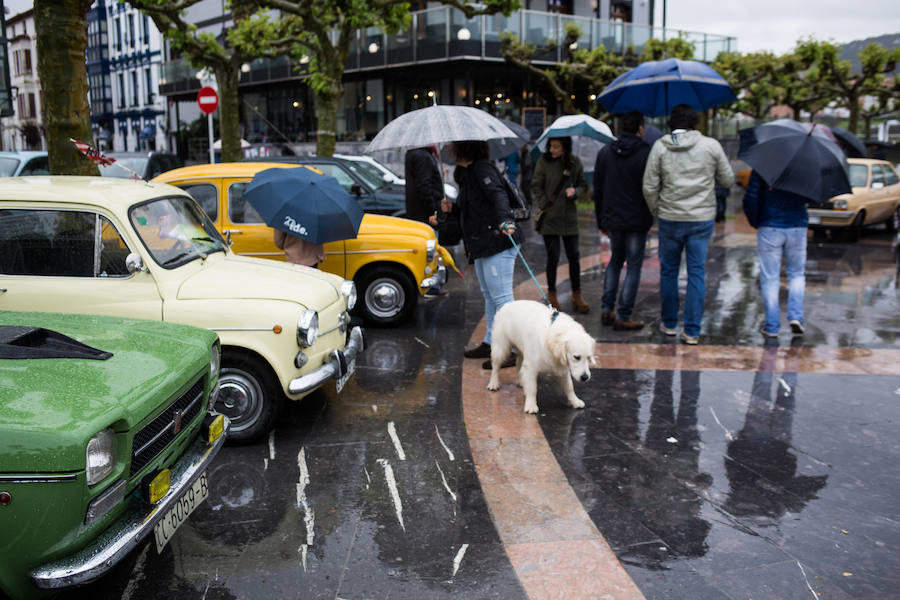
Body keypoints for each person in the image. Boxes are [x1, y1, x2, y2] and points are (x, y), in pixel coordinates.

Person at [642, 104, 734, 345]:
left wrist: (657, 209)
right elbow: (727, 179)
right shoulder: (711, 146)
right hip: (701, 219)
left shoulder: (660, 146)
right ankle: (692, 330)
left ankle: (670, 323)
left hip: (670, 218)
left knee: (669, 271)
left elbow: (649, 186)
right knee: (696, 273)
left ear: (672, 123)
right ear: (695, 123)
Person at [448, 140, 521, 369]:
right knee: (490, 296)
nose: (451, 151)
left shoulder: (482, 169)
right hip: (483, 243)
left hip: (497, 241)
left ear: (465, 148)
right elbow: (470, 206)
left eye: (454, 147)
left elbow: (498, 195)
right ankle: (491, 343)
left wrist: (505, 220)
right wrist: (450, 208)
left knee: (502, 299)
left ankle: (510, 349)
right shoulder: (470, 173)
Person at [593, 110, 653, 331]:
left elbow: (597, 190)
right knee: (634, 266)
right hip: (638, 219)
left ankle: (607, 309)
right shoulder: (647, 153)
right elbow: (651, 186)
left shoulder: (606, 152)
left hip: (613, 219)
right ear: (640, 129)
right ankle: (624, 314)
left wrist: (602, 221)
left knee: (615, 261)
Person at [743, 170, 809, 337]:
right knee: (796, 274)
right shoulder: (804, 165)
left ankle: (772, 326)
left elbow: (751, 197)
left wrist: (757, 221)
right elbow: (811, 196)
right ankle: (796, 317)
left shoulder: (764, 165)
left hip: (770, 225)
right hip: (797, 225)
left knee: (770, 277)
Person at [531, 136, 590, 314]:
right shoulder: (543, 161)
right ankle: (552, 294)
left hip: (569, 218)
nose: (552, 150)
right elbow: (536, 185)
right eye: (550, 146)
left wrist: (576, 191)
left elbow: (583, 185)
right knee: (553, 257)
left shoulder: (574, 162)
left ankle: (577, 294)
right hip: (549, 217)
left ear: (565, 147)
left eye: (556, 147)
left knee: (574, 257)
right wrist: (542, 202)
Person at [405, 145, 448, 296]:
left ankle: (430, 286)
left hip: (419, 212)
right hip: (425, 214)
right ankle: (431, 287)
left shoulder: (416, 153)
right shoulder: (422, 156)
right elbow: (424, 185)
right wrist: (432, 211)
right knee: (430, 252)